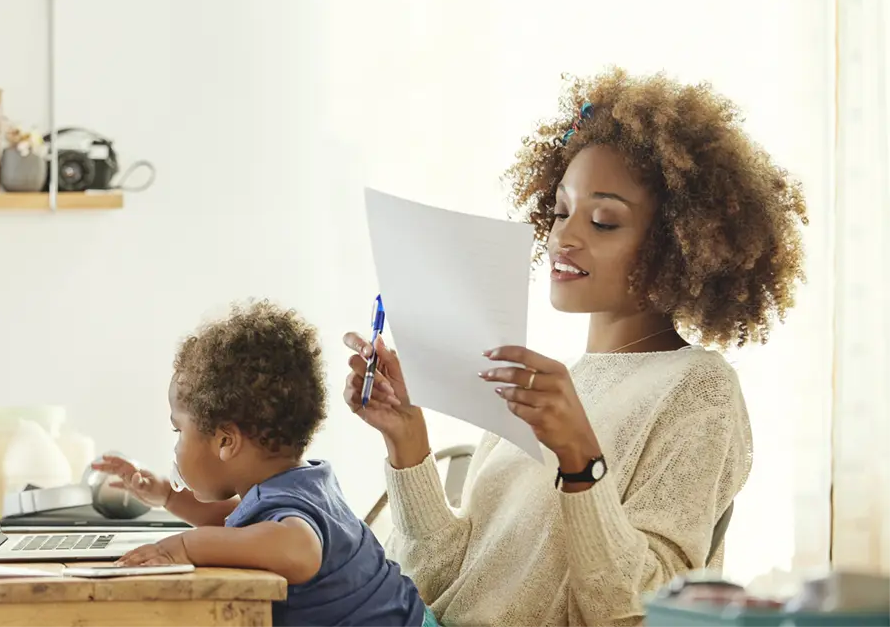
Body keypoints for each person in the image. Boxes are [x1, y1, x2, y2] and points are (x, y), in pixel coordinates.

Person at [344, 68, 807, 627]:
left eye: (604, 221)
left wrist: (580, 459)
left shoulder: (697, 388)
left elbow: (642, 613)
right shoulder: (548, 387)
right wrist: (407, 441)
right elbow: (441, 583)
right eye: (561, 211)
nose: (564, 237)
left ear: (676, 246)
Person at [97, 299, 434, 627]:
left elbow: (299, 551)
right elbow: (239, 525)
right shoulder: (301, 484)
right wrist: (169, 497)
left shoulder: (289, 513)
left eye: (179, 430)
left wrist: (184, 547)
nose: (176, 445)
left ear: (226, 441)